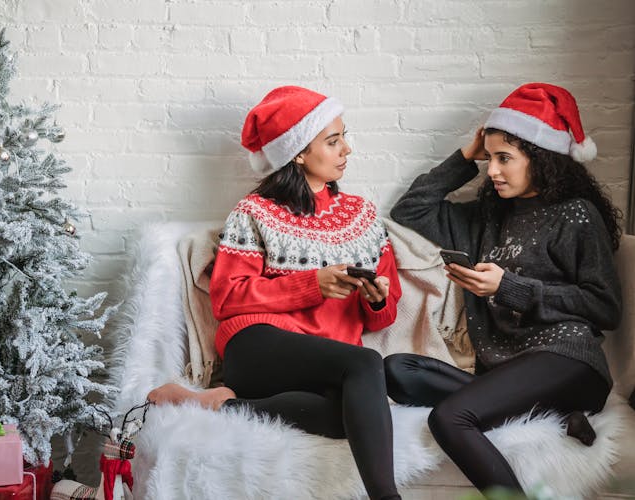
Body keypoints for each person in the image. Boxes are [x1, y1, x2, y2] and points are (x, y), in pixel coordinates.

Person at [148, 86, 403, 500]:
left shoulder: (365, 216)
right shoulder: (254, 212)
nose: (346, 149)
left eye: (344, 137)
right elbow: (227, 298)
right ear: (299, 152)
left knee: (351, 414)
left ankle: (215, 404)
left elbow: (384, 315)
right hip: (258, 345)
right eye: (333, 141)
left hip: (328, 359)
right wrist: (312, 284)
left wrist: (376, 299)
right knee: (366, 365)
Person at [385, 82, 623, 494]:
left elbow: (605, 307)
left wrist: (509, 287)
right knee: (397, 371)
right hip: (505, 370)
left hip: (566, 358)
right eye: (489, 157)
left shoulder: (575, 216)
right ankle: (558, 412)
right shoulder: (486, 219)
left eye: (504, 158)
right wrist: (465, 157)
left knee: (449, 418)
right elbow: (411, 208)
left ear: (542, 158)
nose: (492, 170)